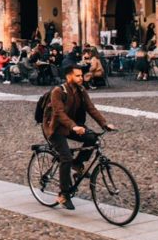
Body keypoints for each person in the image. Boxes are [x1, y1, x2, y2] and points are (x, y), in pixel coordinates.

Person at [43, 63, 116, 210]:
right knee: (66, 158)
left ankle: (78, 164)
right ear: (68, 76)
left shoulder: (81, 90)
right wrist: (74, 126)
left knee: (92, 138)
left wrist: (104, 124)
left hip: (71, 126)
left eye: (81, 75)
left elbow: (91, 108)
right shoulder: (58, 91)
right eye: (77, 76)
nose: (81, 78)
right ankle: (63, 195)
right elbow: (59, 113)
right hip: (55, 128)